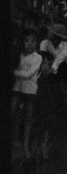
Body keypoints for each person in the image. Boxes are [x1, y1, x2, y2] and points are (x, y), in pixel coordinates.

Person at [12, 30, 43, 160]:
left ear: (36, 43)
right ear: (22, 43)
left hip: (30, 90)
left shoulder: (37, 57)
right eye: (26, 41)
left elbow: (28, 74)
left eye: (33, 41)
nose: (29, 44)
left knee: (28, 118)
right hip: (17, 89)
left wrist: (12, 72)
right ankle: (14, 142)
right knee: (13, 114)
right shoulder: (17, 55)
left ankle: (25, 146)